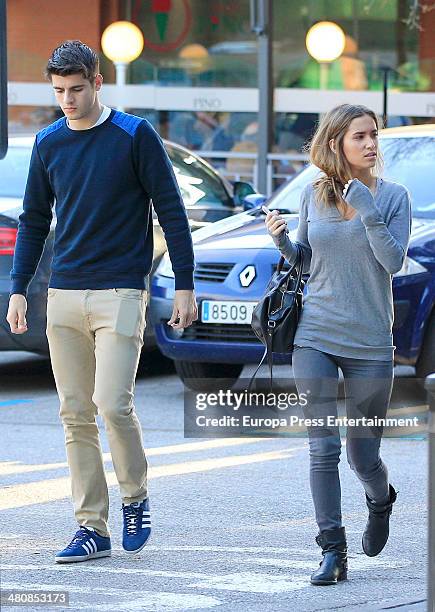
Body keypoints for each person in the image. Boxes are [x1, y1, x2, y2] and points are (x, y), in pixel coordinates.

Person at [6, 40, 197, 564]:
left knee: (112, 404)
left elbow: (171, 210)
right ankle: (91, 526)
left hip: (120, 290)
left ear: (97, 81)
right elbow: (34, 220)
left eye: (76, 89)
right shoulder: (48, 143)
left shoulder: (134, 136)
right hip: (63, 293)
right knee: (74, 413)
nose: (67, 100)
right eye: (59, 92)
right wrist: (20, 287)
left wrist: (185, 282)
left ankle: (135, 497)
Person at [265, 104, 411, 586]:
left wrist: (368, 211)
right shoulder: (313, 195)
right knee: (322, 446)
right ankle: (332, 548)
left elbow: (391, 262)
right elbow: (307, 261)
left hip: (370, 340)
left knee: (361, 455)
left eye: (374, 135)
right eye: (360, 136)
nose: (371, 144)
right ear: (336, 144)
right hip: (316, 334)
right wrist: (285, 244)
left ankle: (380, 499)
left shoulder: (392, 197)